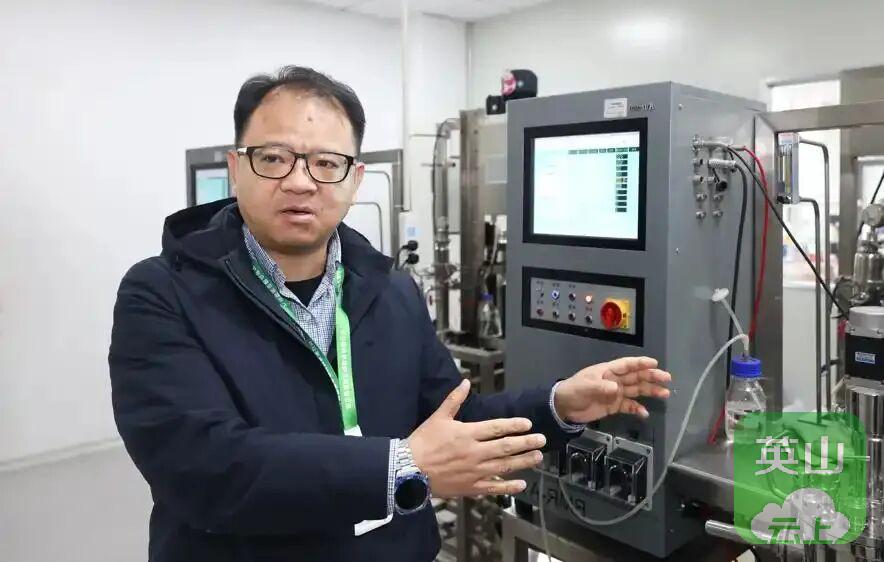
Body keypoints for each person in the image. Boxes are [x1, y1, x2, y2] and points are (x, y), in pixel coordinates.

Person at [108, 66, 672, 562]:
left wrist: (558, 405)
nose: (300, 181)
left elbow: (454, 417)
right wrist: (402, 465)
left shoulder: (390, 291)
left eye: (326, 162)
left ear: (354, 179)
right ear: (237, 167)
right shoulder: (162, 293)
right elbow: (203, 467)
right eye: (274, 158)